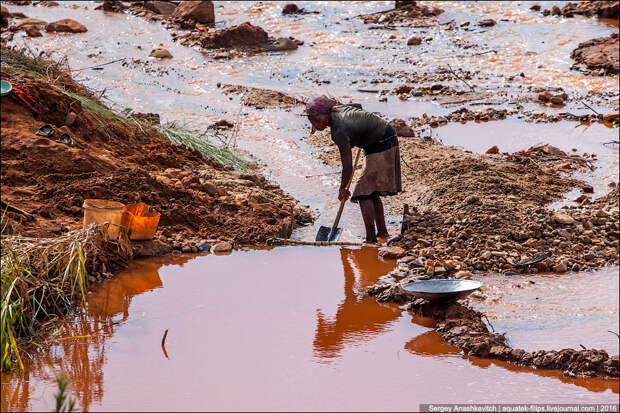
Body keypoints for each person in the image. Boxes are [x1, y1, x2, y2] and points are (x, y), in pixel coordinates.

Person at [305, 95, 402, 243]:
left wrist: (342, 189)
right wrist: (360, 129)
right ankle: (382, 233)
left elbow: (348, 167)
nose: (317, 125)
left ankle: (371, 240)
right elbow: (358, 107)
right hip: (381, 136)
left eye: (318, 120)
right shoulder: (339, 109)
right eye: (313, 122)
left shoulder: (338, 131)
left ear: (327, 113)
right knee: (372, 191)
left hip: (381, 141)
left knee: (362, 193)